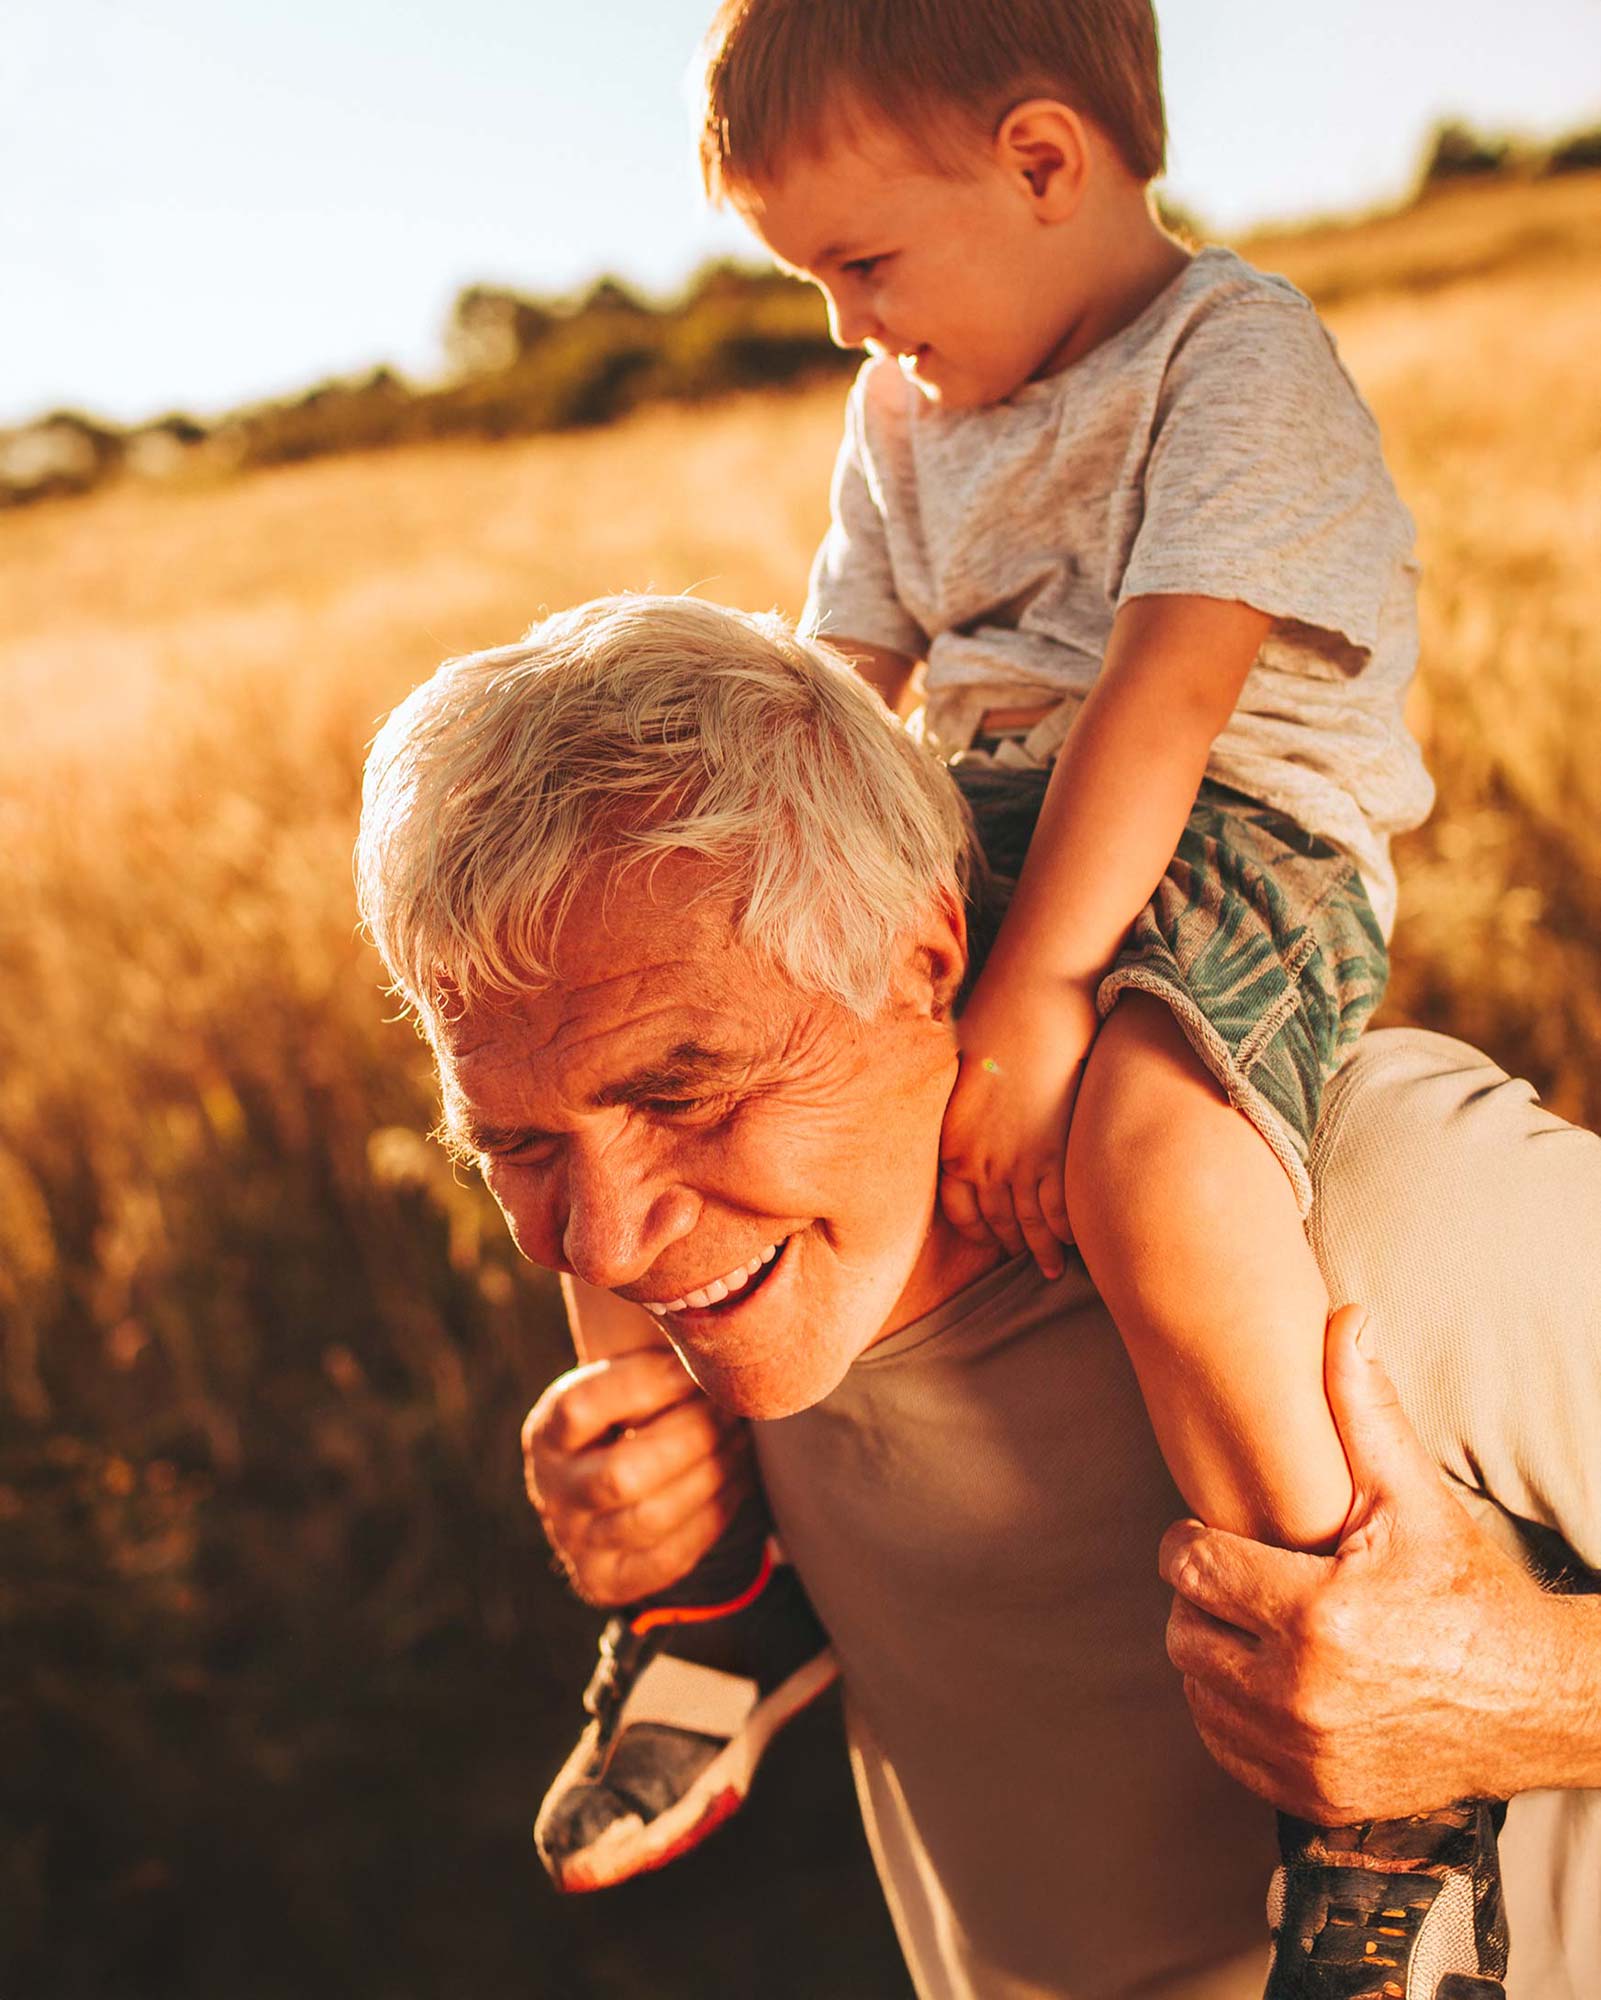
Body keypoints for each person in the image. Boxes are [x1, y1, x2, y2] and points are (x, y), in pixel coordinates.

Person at [355, 595, 1601, 1998]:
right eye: (514, 1144)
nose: (608, 1243)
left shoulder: (1391, 1201)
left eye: (684, 1092)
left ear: (921, 958)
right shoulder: (729, 1289)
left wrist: (1533, 1693)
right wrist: (686, 1553)